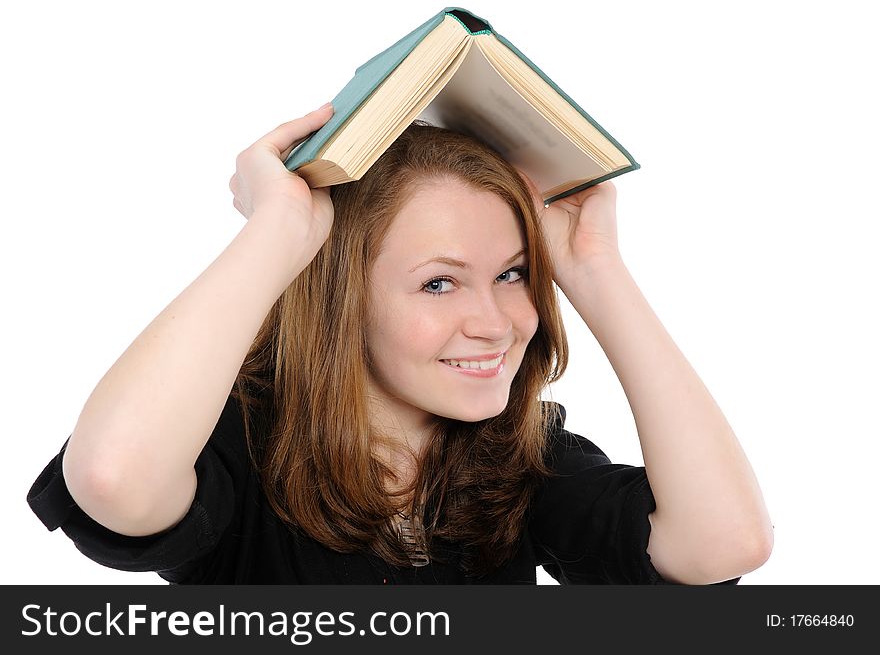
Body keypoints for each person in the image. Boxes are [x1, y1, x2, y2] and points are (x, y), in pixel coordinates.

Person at [27, 104, 773, 584]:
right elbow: (112, 477)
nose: (497, 321)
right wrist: (277, 232)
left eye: (514, 274)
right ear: (343, 299)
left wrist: (595, 271)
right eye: (440, 284)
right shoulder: (232, 445)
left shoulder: (523, 453)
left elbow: (726, 543)